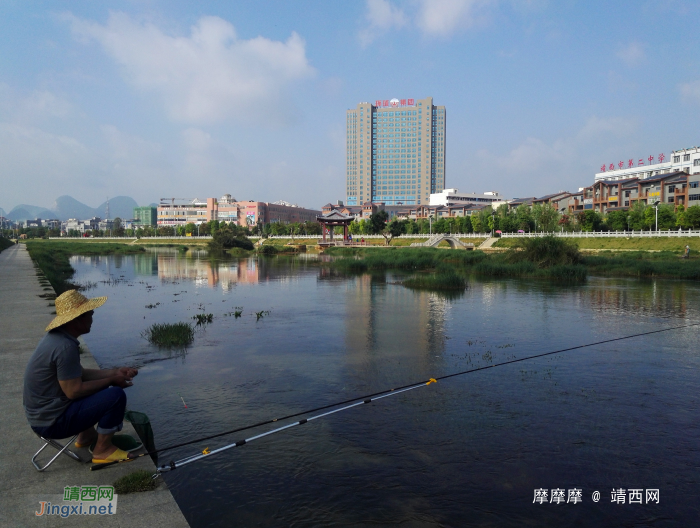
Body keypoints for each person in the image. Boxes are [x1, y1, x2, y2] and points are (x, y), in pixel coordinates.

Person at [23, 290, 139, 463]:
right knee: (115, 396)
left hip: (42, 417)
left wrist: (115, 372)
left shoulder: (57, 338)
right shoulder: (64, 347)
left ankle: (86, 437)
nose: (92, 319)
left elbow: (79, 374)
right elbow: (73, 391)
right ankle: (102, 450)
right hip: (51, 422)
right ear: (76, 319)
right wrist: (111, 381)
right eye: (89, 315)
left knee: (96, 386)